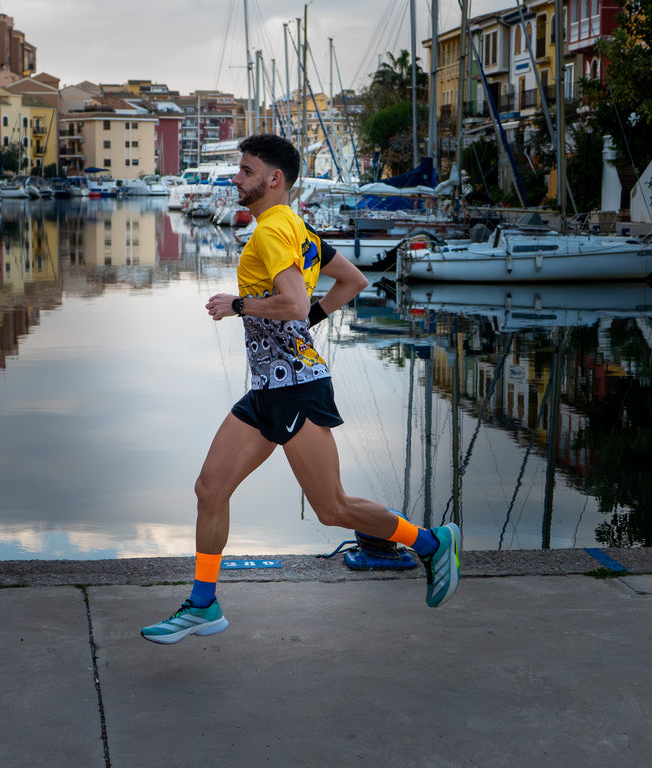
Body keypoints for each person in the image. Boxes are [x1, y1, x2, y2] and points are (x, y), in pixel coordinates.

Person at [141, 134, 460, 645]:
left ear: (274, 179)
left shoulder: (272, 232)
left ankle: (431, 542)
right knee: (210, 489)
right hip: (269, 388)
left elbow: (290, 302)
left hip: (296, 388)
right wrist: (309, 319)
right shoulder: (295, 227)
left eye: (246, 171)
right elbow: (352, 280)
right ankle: (203, 605)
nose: (236, 179)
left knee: (332, 508)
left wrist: (238, 306)